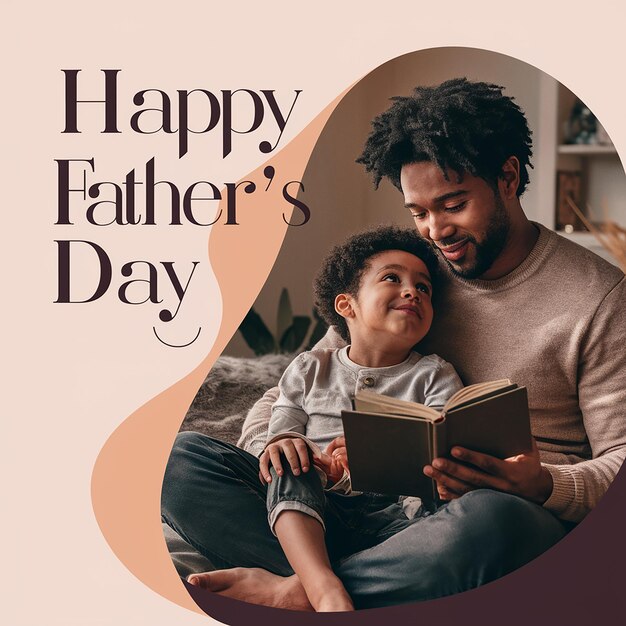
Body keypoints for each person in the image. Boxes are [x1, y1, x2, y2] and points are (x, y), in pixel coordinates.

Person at [161, 78, 626, 609]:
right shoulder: (411, 274)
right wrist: (277, 448)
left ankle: (302, 591)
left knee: (498, 522)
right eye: (418, 212)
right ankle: (341, 582)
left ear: (508, 177)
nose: (435, 230)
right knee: (182, 462)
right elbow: (304, 378)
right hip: (337, 503)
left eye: (453, 205)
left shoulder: (599, 298)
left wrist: (542, 484)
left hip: (478, 513)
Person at [260, 226, 463, 611]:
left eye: (424, 288)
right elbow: (280, 431)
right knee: (190, 456)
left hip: (397, 520)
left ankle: (302, 584)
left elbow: (442, 456)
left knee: (481, 515)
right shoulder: (309, 367)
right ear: (346, 305)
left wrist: (379, 457)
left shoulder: (434, 374)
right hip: (306, 507)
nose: (412, 292)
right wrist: (287, 446)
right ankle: (325, 584)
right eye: (392, 278)